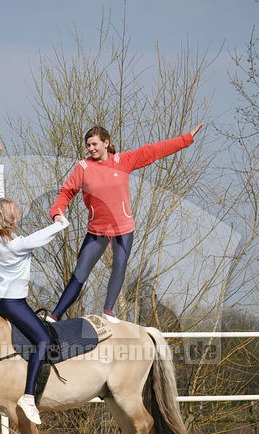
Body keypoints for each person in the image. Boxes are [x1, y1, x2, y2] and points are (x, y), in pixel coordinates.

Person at [47, 123, 203, 323]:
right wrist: (57, 213)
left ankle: (108, 310)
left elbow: (153, 151)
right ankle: (54, 316)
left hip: (123, 229)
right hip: (97, 231)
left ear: (106, 143)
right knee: (80, 273)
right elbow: (66, 192)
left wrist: (185, 139)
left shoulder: (122, 161)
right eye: (88, 145)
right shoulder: (83, 168)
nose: (91, 148)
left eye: (94, 144)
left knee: (119, 266)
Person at [0, 132, 69, 424]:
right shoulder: (17, 244)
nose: (18, 215)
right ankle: (29, 396)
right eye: (15, 214)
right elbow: (39, 238)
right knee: (43, 339)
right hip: (12, 302)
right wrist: (61, 223)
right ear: (8, 220)